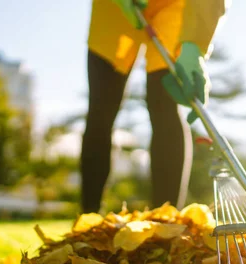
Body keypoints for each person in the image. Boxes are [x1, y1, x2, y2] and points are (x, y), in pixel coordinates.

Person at [80, 0, 228, 213]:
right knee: (101, 109)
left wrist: (194, 46)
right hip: (114, 8)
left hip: (172, 5)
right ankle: (89, 217)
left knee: (164, 105)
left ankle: (165, 221)